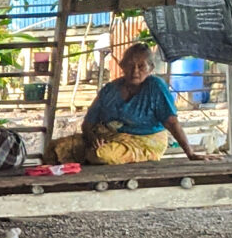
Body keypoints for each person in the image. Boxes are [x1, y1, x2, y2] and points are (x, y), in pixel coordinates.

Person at [55, 43, 205, 165]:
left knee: (101, 155)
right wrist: (92, 138)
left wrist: (190, 153)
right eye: (130, 65)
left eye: (141, 66)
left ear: (151, 68)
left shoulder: (155, 87)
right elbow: (88, 123)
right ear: (122, 66)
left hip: (145, 141)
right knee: (57, 148)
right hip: (109, 137)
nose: (135, 71)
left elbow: (171, 122)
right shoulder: (110, 89)